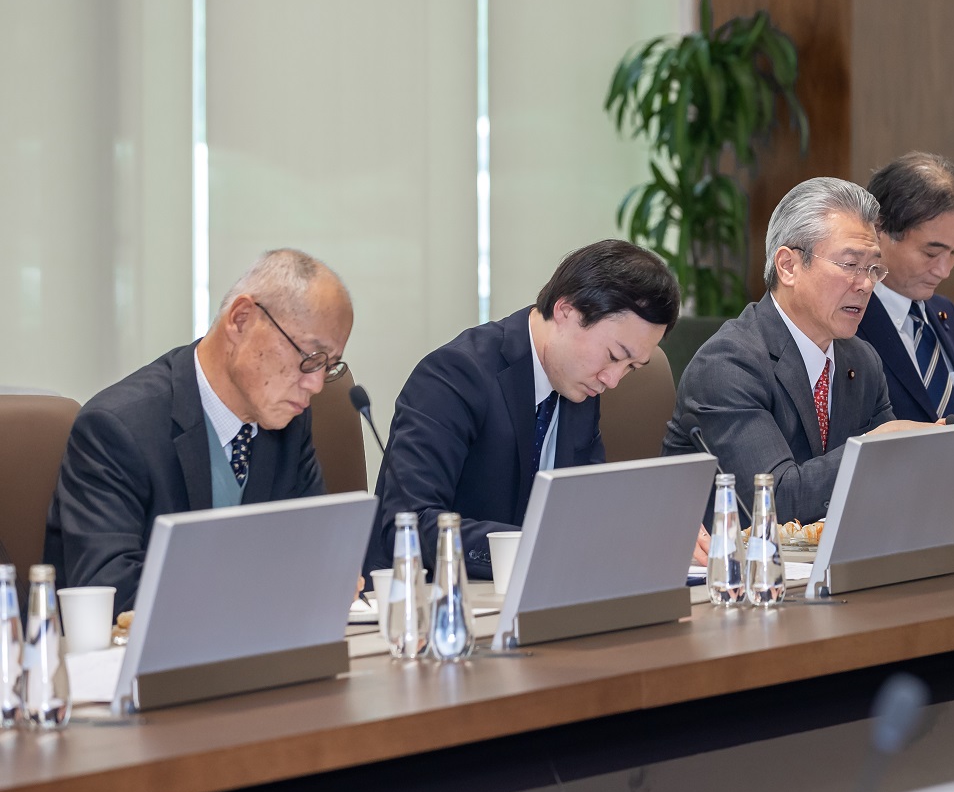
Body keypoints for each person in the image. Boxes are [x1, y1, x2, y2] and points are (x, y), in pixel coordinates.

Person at [44, 249, 352, 613]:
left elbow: (314, 553)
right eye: (310, 357)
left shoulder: (289, 423)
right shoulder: (117, 428)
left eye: (329, 366)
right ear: (241, 320)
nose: (316, 384)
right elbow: (111, 592)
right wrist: (274, 586)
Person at [367, 240, 681, 579]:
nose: (613, 379)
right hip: (435, 594)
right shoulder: (455, 374)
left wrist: (650, 535)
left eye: (631, 367)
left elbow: (585, 512)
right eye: (614, 356)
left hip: (535, 592)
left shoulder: (579, 383)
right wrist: (536, 548)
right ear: (566, 311)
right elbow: (410, 524)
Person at [661, 177, 927, 523]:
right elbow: (774, 502)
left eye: (873, 268)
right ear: (788, 266)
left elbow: (887, 478)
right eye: (850, 265)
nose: (866, 284)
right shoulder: (728, 365)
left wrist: (939, 464)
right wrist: (873, 448)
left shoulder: (861, 360)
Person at [858, 152, 954, 422]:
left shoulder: (945, 312)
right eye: (931, 253)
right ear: (879, 230)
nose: (944, 271)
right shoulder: (849, 317)